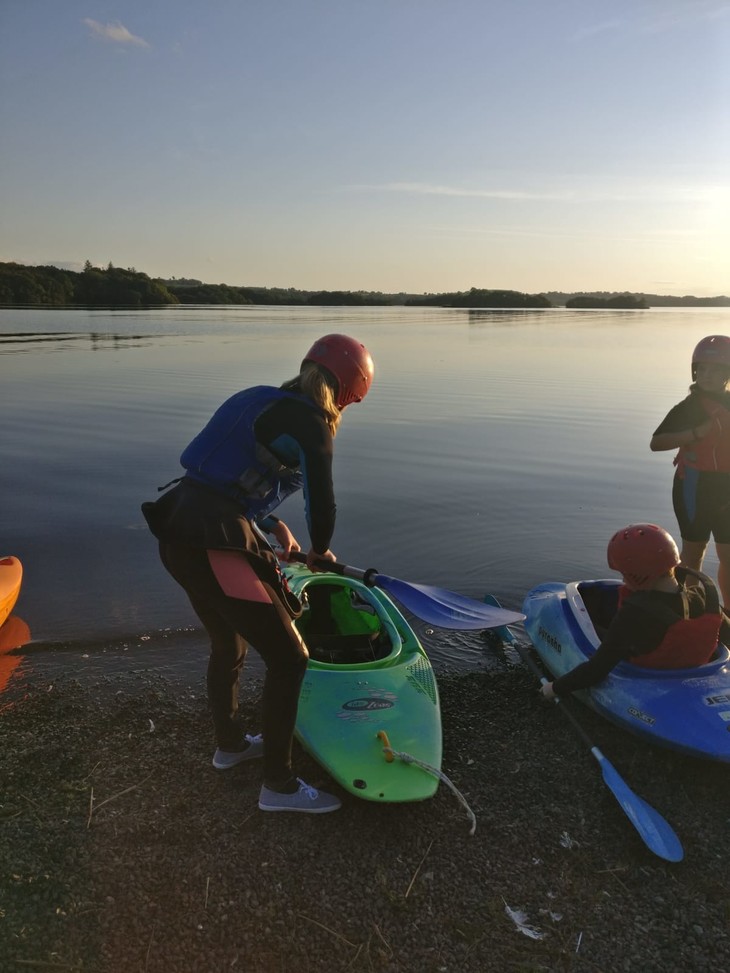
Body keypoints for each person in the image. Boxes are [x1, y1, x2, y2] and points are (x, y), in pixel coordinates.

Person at [141, 334, 374, 813]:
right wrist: (321, 550)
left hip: (177, 530)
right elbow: (322, 503)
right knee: (290, 659)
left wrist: (269, 523)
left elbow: (216, 477)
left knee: (229, 642)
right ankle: (279, 786)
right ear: (352, 393)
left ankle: (230, 746)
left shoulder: (255, 397)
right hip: (212, 543)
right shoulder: (313, 423)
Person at [541, 523, 730, 700]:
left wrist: (554, 688)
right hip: (697, 670)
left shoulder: (633, 614)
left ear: (634, 573)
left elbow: (597, 670)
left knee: (597, 627)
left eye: (623, 573)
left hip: (650, 678)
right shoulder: (704, 600)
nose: (623, 580)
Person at [650, 334, 730, 607]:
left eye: (716, 370)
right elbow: (656, 443)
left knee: (729, 554)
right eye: (702, 369)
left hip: (727, 488)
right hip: (694, 485)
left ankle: (728, 614)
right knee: (694, 553)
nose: (707, 376)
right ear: (695, 371)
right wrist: (697, 432)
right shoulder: (688, 408)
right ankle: (689, 611)